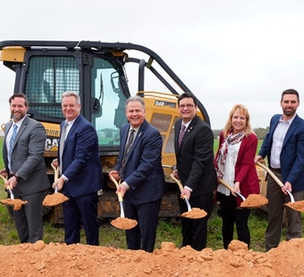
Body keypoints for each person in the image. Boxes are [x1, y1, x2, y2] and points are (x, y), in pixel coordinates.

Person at [255, 88, 304, 250]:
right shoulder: (275, 119)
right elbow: (268, 138)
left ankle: (292, 253)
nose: (289, 105)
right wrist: (261, 154)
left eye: (293, 102)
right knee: (273, 215)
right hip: (274, 175)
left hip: (294, 180)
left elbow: (302, 158)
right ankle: (271, 250)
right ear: (281, 103)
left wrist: (289, 181)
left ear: (298, 104)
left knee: (294, 217)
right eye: (286, 101)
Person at [109, 97, 165, 252]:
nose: (134, 114)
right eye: (131, 111)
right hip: (130, 192)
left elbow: (146, 165)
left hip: (148, 192)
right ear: (126, 113)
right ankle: (133, 262)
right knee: (131, 231)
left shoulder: (152, 134)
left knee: (146, 234)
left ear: (144, 112)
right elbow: (124, 155)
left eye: (137, 111)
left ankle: (146, 264)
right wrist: (118, 170)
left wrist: (126, 184)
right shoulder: (124, 129)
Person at [52, 91, 102, 245]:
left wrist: (63, 177)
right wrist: (60, 160)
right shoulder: (64, 124)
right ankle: (71, 255)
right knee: (70, 225)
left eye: (71, 105)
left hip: (85, 186)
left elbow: (81, 158)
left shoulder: (85, 128)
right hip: (69, 186)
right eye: (65, 106)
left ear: (79, 106)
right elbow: (70, 151)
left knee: (89, 225)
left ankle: (93, 254)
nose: (68, 108)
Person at [1, 93, 49, 243]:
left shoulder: (36, 127)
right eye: (14, 106)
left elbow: (35, 156)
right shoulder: (9, 126)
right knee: (20, 224)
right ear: (10, 107)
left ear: (26, 107)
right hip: (15, 184)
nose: (16, 109)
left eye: (20, 106)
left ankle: (36, 256)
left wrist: (17, 176)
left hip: (32, 184)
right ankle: (24, 254)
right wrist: (8, 169)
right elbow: (12, 152)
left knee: (33, 226)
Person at [173, 92, 217, 251]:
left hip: (199, 188)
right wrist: (179, 169)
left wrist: (189, 186)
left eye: (189, 106)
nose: (185, 109)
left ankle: (198, 258)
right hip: (185, 183)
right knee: (186, 221)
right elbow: (183, 154)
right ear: (178, 108)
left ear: (196, 108)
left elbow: (200, 161)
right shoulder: (179, 125)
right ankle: (186, 252)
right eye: (182, 106)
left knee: (198, 225)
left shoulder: (203, 130)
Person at [214, 104, 260, 248]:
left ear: (247, 121)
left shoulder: (251, 138)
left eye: (242, 118)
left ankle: (244, 254)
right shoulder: (224, 135)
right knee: (227, 222)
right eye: (235, 117)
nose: (238, 120)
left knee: (241, 223)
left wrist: (238, 181)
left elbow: (246, 163)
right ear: (231, 119)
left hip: (243, 186)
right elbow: (219, 156)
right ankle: (227, 252)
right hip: (225, 184)